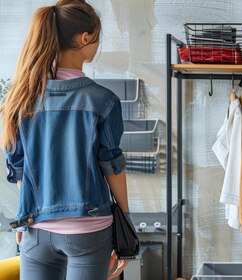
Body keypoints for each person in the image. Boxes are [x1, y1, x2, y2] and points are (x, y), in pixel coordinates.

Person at [0, 1, 129, 279]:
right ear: (85, 39)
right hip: (89, 231)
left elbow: (20, 170)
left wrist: (24, 223)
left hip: (35, 227)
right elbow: (112, 168)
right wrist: (125, 224)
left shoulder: (21, 97)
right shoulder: (103, 100)